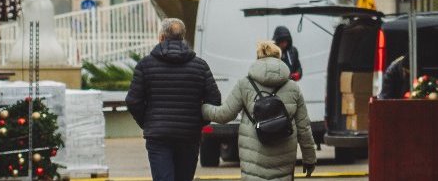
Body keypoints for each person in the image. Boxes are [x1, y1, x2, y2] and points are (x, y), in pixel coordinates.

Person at [203, 40, 318, 180]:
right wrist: (309, 159)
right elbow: (304, 128)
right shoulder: (293, 88)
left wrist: (202, 108)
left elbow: (223, 115)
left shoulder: (244, 85)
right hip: (283, 161)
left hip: (253, 161)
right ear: (279, 58)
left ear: (258, 58)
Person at [127, 18, 221, 181]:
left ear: (162, 37)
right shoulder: (200, 66)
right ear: (182, 37)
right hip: (189, 135)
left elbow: (133, 100)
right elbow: (214, 101)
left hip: (158, 137)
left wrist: (149, 122)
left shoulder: (145, 65)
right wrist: (197, 122)